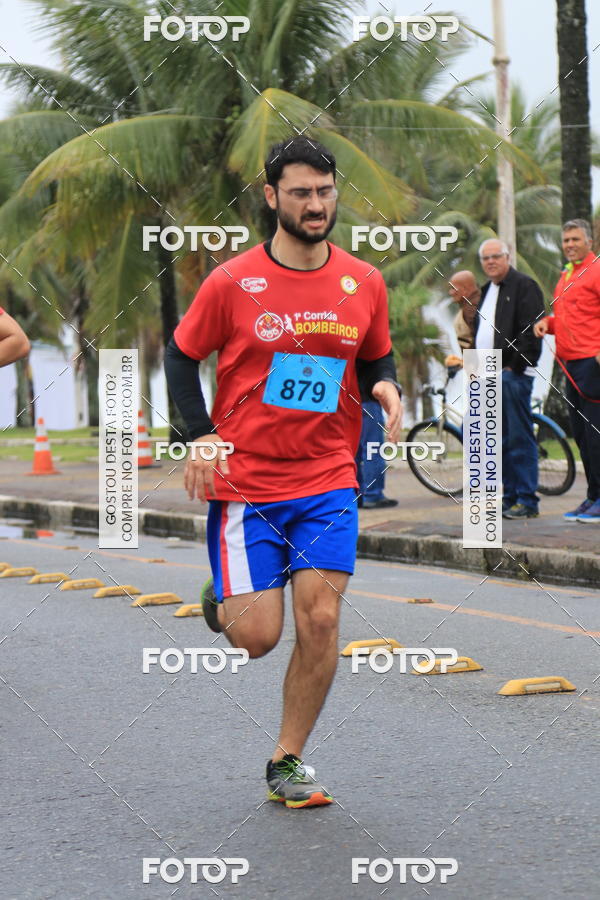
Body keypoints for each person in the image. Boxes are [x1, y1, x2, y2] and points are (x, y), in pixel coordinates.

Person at [164, 137, 402, 808]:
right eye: (300, 192)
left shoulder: (365, 282)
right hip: (248, 483)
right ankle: (225, 597)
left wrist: (384, 388)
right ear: (272, 197)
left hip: (328, 475)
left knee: (321, 620)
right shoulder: (233, 282)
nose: (315, 204)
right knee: (259, 638)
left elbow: (375, 358)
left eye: (324, 191)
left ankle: (287, 759)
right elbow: (183, 358)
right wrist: (201, 436)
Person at [534, 218, 600, 523]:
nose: (570, 244)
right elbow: (572, 318)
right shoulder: (566, 275)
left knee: (596, 433)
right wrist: (549, 324)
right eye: (566, 240)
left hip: (592, 363)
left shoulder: (597, 270)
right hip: (569, 365)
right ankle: (592, 496)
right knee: (582, 435)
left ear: (589, 241)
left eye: (575, 239)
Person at [474, 239, 545, 518]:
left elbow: (531, 330)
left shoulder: (524, 286)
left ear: (508, 257)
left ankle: (527, 500)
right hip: (488, 374)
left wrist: (514, 368)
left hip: (512, 376)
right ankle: (511, 496)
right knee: (499, 441)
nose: (491, 262)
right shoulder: (486, 290)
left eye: (496, 257)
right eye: (486, 258)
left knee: (519, 438)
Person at [355, 386, 399, 509]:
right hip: (368, 400)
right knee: (373, 450)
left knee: (355, 451)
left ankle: (358, 494)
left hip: (350, 401)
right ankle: (373, 494)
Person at [448, 270, 481, 350]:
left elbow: (486, 339)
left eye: (453, 288)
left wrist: (471, 362)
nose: (450, 292)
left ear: (465, 289)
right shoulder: (478, 301)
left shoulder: (471, 308)